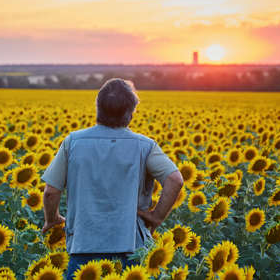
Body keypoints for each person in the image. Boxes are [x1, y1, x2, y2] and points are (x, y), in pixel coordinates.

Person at [41, 78, 183, 279]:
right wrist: (156, 216)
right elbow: (175, 180)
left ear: (98, 108)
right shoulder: (145, 146)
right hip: (130, 248)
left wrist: (52, 218)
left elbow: (51, 191)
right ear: (131, 113)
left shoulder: (73, 142)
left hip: (84, 247)